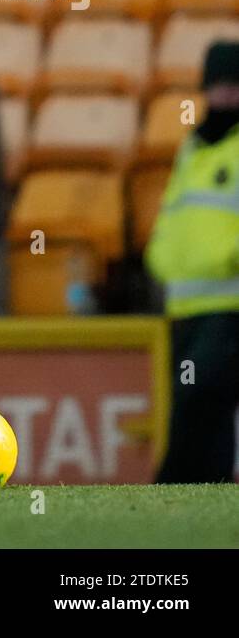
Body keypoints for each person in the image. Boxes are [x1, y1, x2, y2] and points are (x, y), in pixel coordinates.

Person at [146, 40, 239, 483]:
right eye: (218, 85)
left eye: (233, 85)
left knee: (200, 394)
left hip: (229, 301)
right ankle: (209, 487)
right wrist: (160, 259)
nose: (225, 96)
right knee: (198, 397)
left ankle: (172, 482)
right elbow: (174, 212)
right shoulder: (194, 147)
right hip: (185, 302)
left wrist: (228, 257)